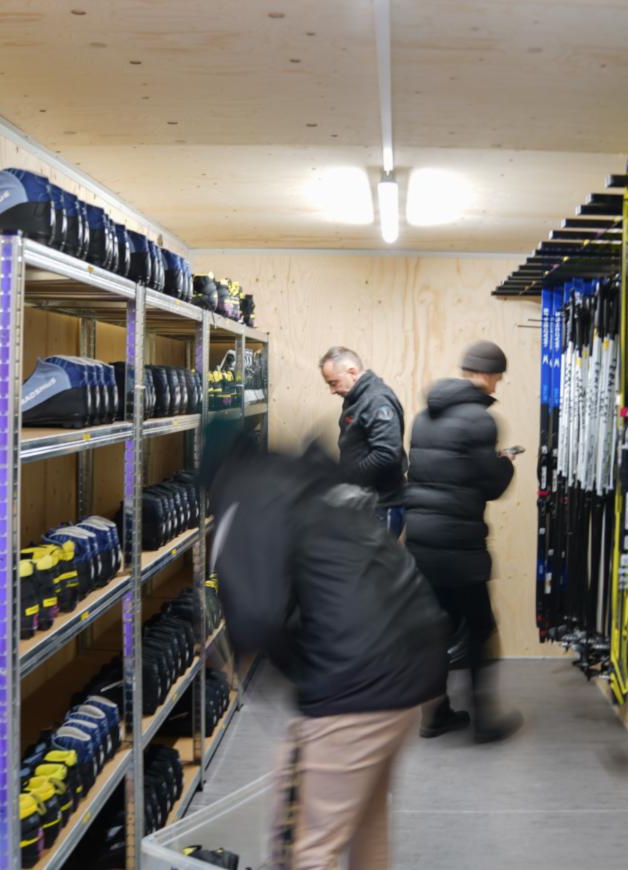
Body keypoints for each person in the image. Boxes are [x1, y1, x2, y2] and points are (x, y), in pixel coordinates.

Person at [210, 432, 448, 870]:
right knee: (366, 822)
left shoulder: (243, 496)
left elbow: (257, 617)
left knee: (305, 849)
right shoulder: (314, 485)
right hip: (415, 665)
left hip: (354, 684)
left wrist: (260, 663)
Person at [404, 339, 523, 744]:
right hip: (459, 547)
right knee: (479, 629)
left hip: (421, 543)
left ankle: (434, 715)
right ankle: (485, 723)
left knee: (435, 630)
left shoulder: (423, 417)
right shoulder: (480, 421)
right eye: (498, 378)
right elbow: (490, 485)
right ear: (487, 375)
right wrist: (505, 463)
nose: (497, 385)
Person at [318, 346, 407, 535]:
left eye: (334, 383)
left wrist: (351, 478)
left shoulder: (377, 400)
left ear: (352, 372)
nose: (332, 390)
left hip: (382, 504)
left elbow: (387, 454)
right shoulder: (356, 398)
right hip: (365, 502)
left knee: (378, 556)